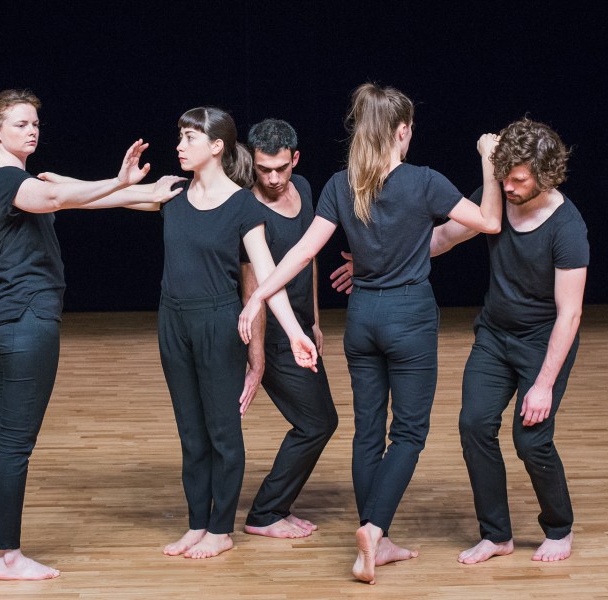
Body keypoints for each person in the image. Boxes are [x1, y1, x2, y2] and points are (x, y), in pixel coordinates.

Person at [238, 82, 502, 584]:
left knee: (367, 433)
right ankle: (374, 529)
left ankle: (374, 541)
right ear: (402, 131)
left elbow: (302, 254)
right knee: (409, 432)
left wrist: (257, 295)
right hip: (410, 317)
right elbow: (489, 221)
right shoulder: (423, 180)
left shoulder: (340, 184)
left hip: (362, 319)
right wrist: (488, 162)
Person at [0, 89, 182, 580]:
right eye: (21, 124)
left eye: (35, 124)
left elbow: (82, 198)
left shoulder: (17, 181)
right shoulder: (5, 180)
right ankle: (9, 556)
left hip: (9, 316)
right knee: (15, 443)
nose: (32, 131)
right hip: (25, 318)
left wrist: (145, 193)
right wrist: (121, 181)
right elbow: (61, 197)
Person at [154, 107, 318, 559]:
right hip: (173, 322)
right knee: (191, 434)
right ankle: (196, 524)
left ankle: (220, 529)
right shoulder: (171, 192)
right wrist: (64, 187)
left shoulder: (244, 205)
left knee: (222, 432)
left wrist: (296, 332)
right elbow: (107, 197)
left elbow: (268, 276)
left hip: (217, 323)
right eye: (180, 137)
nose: (179, 146)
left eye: (189, 138)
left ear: (216, 146)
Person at [429, 117, 588, 564]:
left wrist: (543, 385)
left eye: (518, 179)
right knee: (474, 425)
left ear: (546, 175)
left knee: (531, 440)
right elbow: (442, 238)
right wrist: (379, 260)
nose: (509, 187)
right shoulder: (497, 197)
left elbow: (570, 313)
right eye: (504, 177)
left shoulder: (567, 227)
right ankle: (496, 534)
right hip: (494, 336)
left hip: (542, 342)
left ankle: (559, 527)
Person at [239, 119, 338, 539]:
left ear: (295, 159)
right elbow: (253, 285)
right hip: (271, 333)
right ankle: (265, 513)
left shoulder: (305, 188)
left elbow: (307, 258)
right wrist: (257, 358)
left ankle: (274, 508)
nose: (273, 178)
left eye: (281, 168)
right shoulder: (247, 208)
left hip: (299, 329)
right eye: (264, 169)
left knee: (320, 422)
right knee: (316, 423)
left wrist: (314, 322)